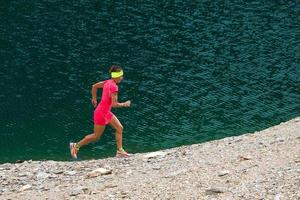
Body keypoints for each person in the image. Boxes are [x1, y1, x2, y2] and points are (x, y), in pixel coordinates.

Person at [70, 65, 131, 159]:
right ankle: (76, 146)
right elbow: (114, 104)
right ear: (116, 76)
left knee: (119, 128)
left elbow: (94, 86)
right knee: (96, 136)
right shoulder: (114, 87)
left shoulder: (107, 82)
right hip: (101, 114)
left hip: (105, 112)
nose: (122, 78)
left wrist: (94, 99)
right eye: (121, 76)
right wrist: (125, 104)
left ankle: (120, 151)